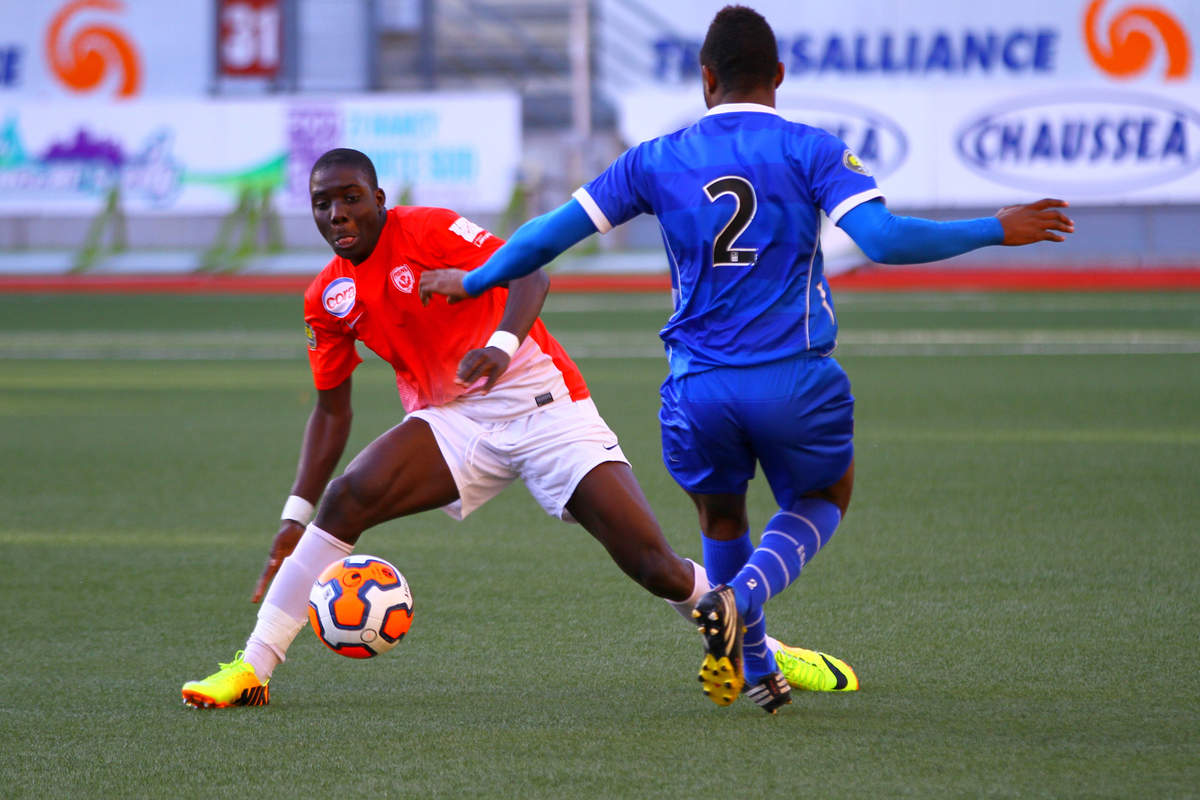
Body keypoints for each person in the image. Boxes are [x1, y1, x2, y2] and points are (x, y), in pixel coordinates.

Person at [418, 5, 1074, 714]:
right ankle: (739, 601)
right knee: (823, 497)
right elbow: (883, 242)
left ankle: (755, 663)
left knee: (722, 516)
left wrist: (477, 279)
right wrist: (994, 228)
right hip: (792, 376)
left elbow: (545, 238)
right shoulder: (812, 149)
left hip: (697, 388)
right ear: (779, 77)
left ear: (706, 79)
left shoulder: (656, 158)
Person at [181, 147, 717, 709]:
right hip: (454, 420)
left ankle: (762, 648)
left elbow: (529, 275)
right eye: (323, 204)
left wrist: (499, 347)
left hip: (542, 404)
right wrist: (295, 517)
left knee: (653, 565)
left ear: (379, 200)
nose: (337, 213)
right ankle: (253, 668)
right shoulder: (327, 299)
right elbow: (332, 411)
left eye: (350, 198)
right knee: (347, 497)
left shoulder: (430, 229)